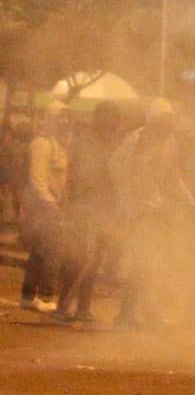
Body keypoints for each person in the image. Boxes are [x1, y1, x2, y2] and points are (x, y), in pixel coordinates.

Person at [108, 97, 195, 328]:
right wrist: (126, 202)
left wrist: (187, 199)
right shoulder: (135, 141)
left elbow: (172, 176)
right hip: (138, 212)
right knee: (143, 263)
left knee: (150, 264)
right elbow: (115, 167)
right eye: (163, 121)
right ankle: (138, 314)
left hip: (157, 211)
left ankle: (132, 314)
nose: (167, 126)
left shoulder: (169, 143)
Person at [54, 101, 124, 322]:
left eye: (115, 119)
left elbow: (118, 175)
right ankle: (63, 305)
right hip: (83, 207)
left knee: (94, 260)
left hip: (105, 208)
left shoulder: (116, 144)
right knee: (77, 257)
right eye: (110, 118)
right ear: (99, 118)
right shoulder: (84, 141)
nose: (113, 123)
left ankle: (83, 308)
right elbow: (77, 174)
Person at [19, 101, 73, 312]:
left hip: (53, 206)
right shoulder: (41, 144)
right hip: (42, 208)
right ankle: (46, 296)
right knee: (51, 253)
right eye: (61, 118)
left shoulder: (60, 144)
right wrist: (52, 206)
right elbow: (38, 179)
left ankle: (28, 296)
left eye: (67, 117)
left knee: (39, 252)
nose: (65, 122)